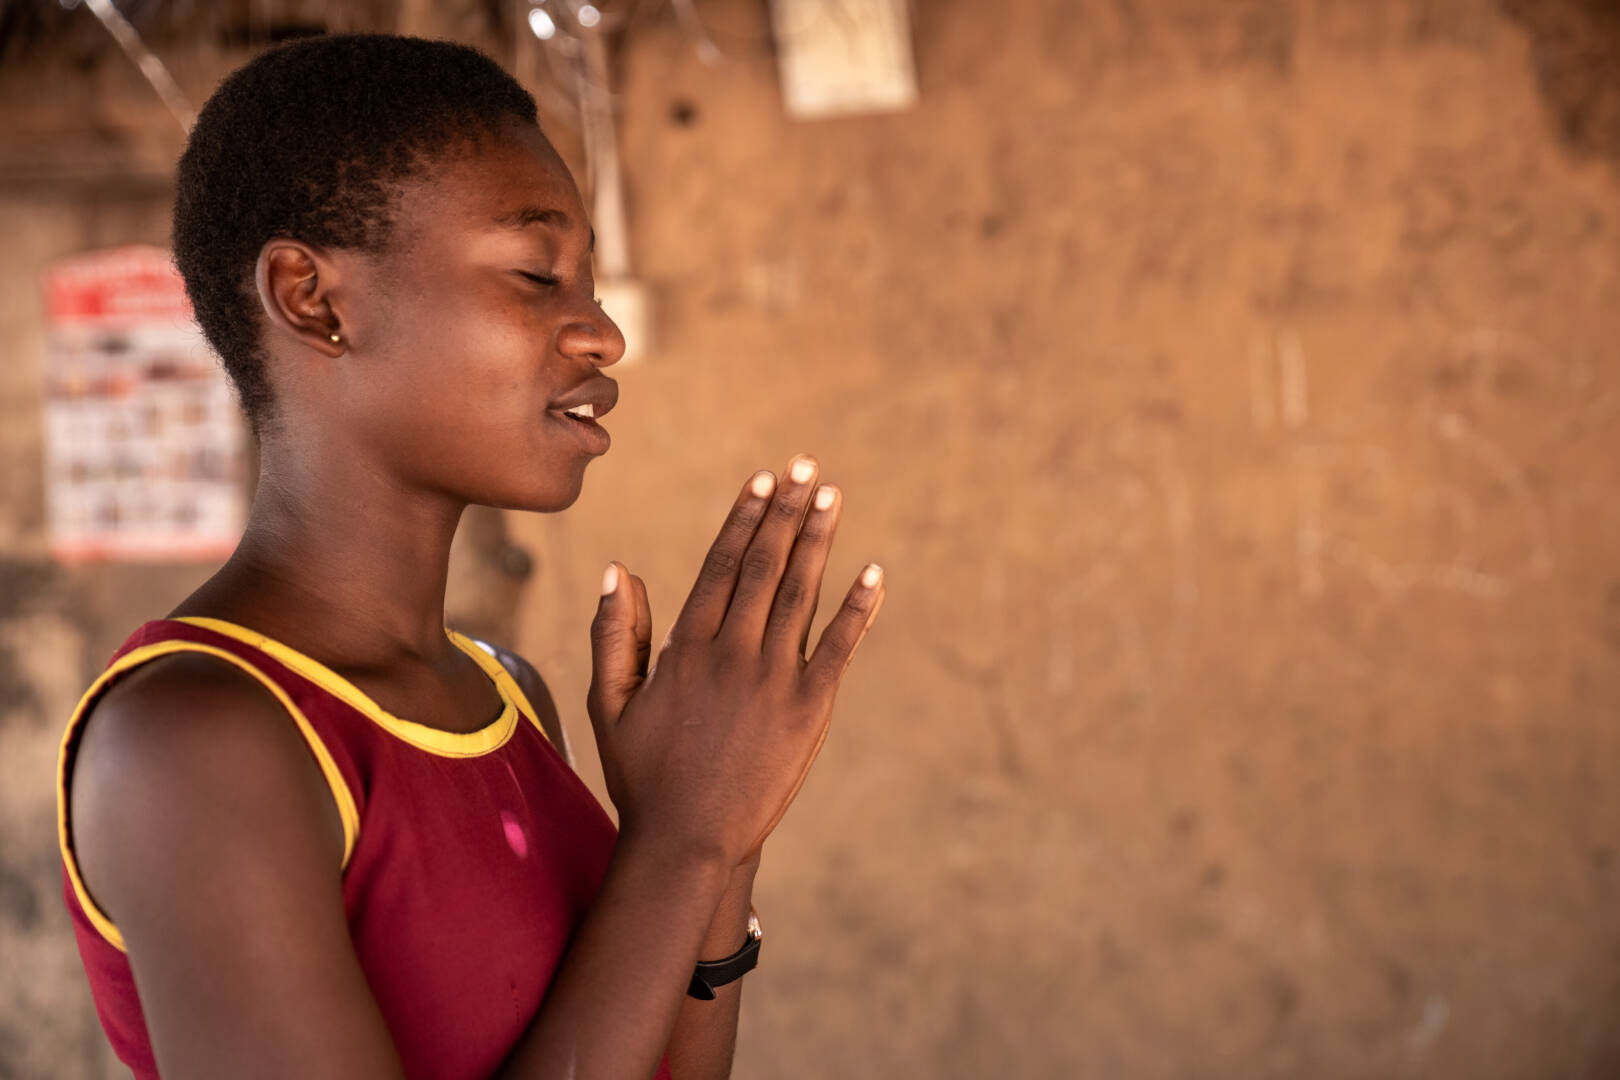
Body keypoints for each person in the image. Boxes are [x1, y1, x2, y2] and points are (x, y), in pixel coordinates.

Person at [54, 33, 884, 1080]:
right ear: (314, 299)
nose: (599, 333)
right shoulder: (194, 742)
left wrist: (717, 841)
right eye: (536, 273)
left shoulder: (507, 696)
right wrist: (681, 842)